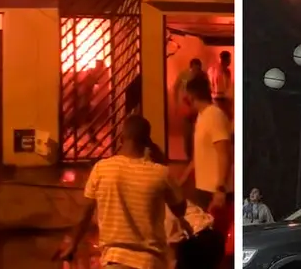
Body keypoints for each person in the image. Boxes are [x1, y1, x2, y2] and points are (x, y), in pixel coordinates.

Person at [60, 115, 190, 269]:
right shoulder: (161, 174)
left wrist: (73, 242)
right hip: (150, 262)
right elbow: (180, 208)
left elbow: (85, 213)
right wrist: (159, 158)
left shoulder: (102, 169)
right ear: (147, 141)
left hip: (115, 260)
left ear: (122, 138)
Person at [181, 75, 233, 213]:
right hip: (203, 188)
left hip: (214, 190)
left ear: (191, 97)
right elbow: (198, 155)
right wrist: (182, 181)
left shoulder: (214, 116)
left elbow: (225, 153)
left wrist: (220, 189)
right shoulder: (201, 116)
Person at [174, 59, 204, 160]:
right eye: (194, 69)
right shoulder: (184, 75)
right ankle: (189, 157)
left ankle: (197, 156)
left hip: (198, 108)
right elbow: (176, 87)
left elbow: (208, 90)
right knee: (187, 134)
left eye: (198, 69)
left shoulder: (203, 76)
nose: (196, 71)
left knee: (199, 134)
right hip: (186, 108)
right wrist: (177, 104)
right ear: (190, 67)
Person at [208, 51, 232, 116]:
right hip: (217, 98)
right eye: (229, 59)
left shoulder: (227, 71)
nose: (230, 61)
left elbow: (227, 86)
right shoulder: (213, 70)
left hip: (221, 98)